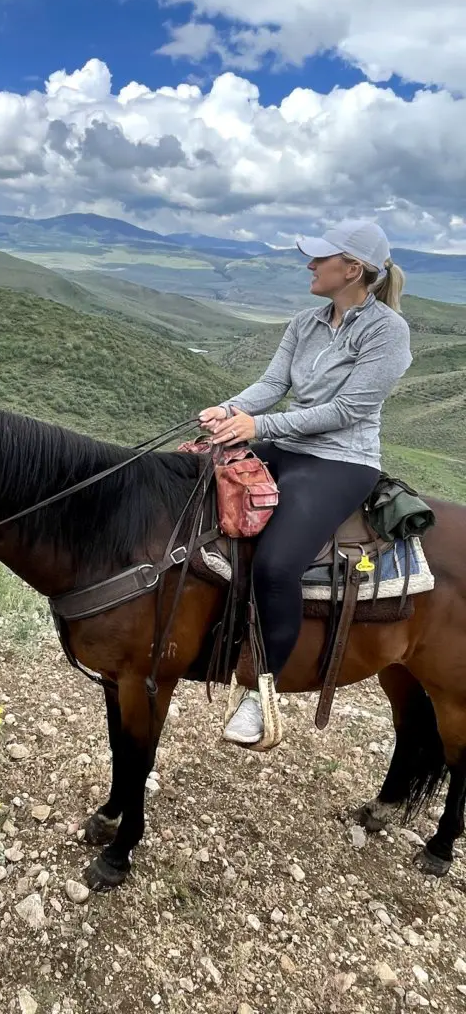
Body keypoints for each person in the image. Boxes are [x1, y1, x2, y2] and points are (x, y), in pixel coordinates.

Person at [199, 220, 412, 749]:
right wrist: (230, 408)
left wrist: (258, 426)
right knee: (193, 480)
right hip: (291, 444)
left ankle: (261, 691)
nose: (310, 266)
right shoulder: (305, 322)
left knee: (277, 565)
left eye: (321, 259)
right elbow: (275, 384)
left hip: (343, 459)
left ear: (353, 269)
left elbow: (349, 410)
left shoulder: (387, 331)